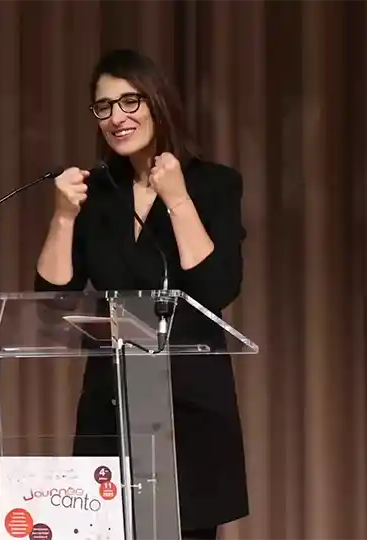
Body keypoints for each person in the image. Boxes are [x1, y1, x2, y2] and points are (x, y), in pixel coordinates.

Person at [34, 48, 249, 540]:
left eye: (129, 101)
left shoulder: (213, 185)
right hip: (111, 402)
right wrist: (63, 217)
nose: (117, 117)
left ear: (157, 103)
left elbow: (217, 287)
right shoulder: (96, 192)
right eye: (104, 106)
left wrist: (177, 198)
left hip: (187, 407)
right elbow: (53, 300)